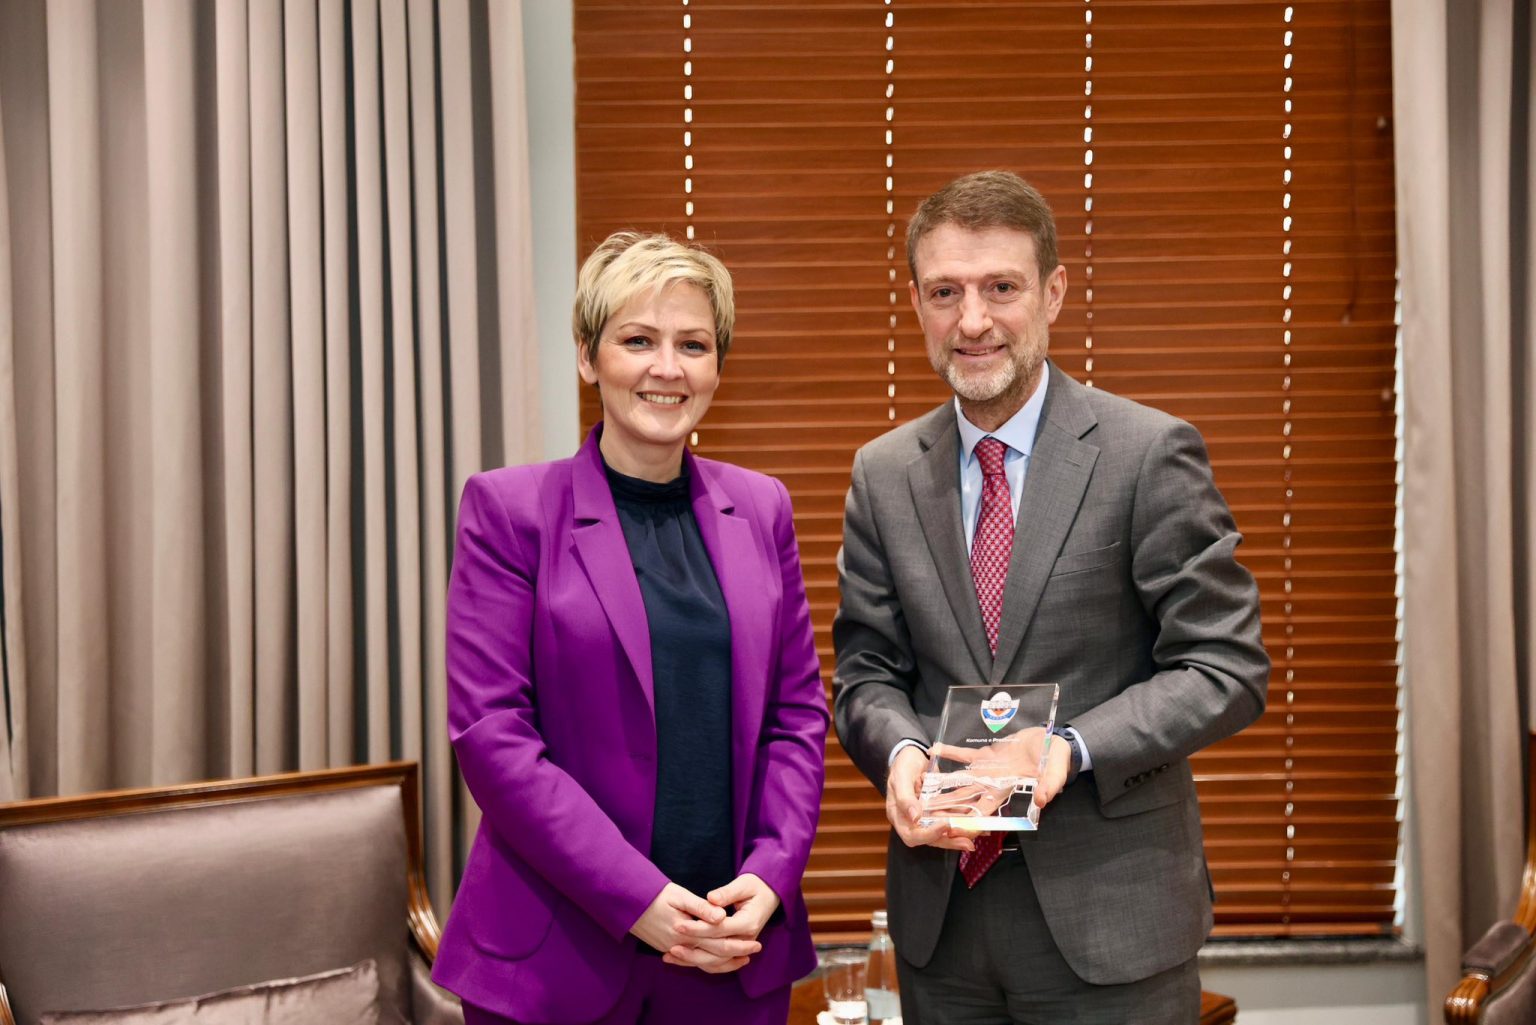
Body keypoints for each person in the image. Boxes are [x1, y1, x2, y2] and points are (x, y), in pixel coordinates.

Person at [832, 170, 1269, 1024]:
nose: (973, 321)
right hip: (942, 928)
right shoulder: (882, 475)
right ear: (916, 302)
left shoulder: (1147, 453)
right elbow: (867, 672)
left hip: (1112, 920)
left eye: (1002, 287)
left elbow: (1225, 666)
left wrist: (1069, 746)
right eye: (945, 292)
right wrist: (902, 753)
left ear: (1054, 292)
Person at [433, 232, 828, 1025]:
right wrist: (636, 897)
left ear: (717, 366)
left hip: (731, 949)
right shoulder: (510, 511)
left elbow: (797, 715)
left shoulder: (762, 508)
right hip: (557, 961)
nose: (667, 368)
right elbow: (492, 734)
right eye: (638, 340)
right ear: (589, 357)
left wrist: (771, 873)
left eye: (694, 345)